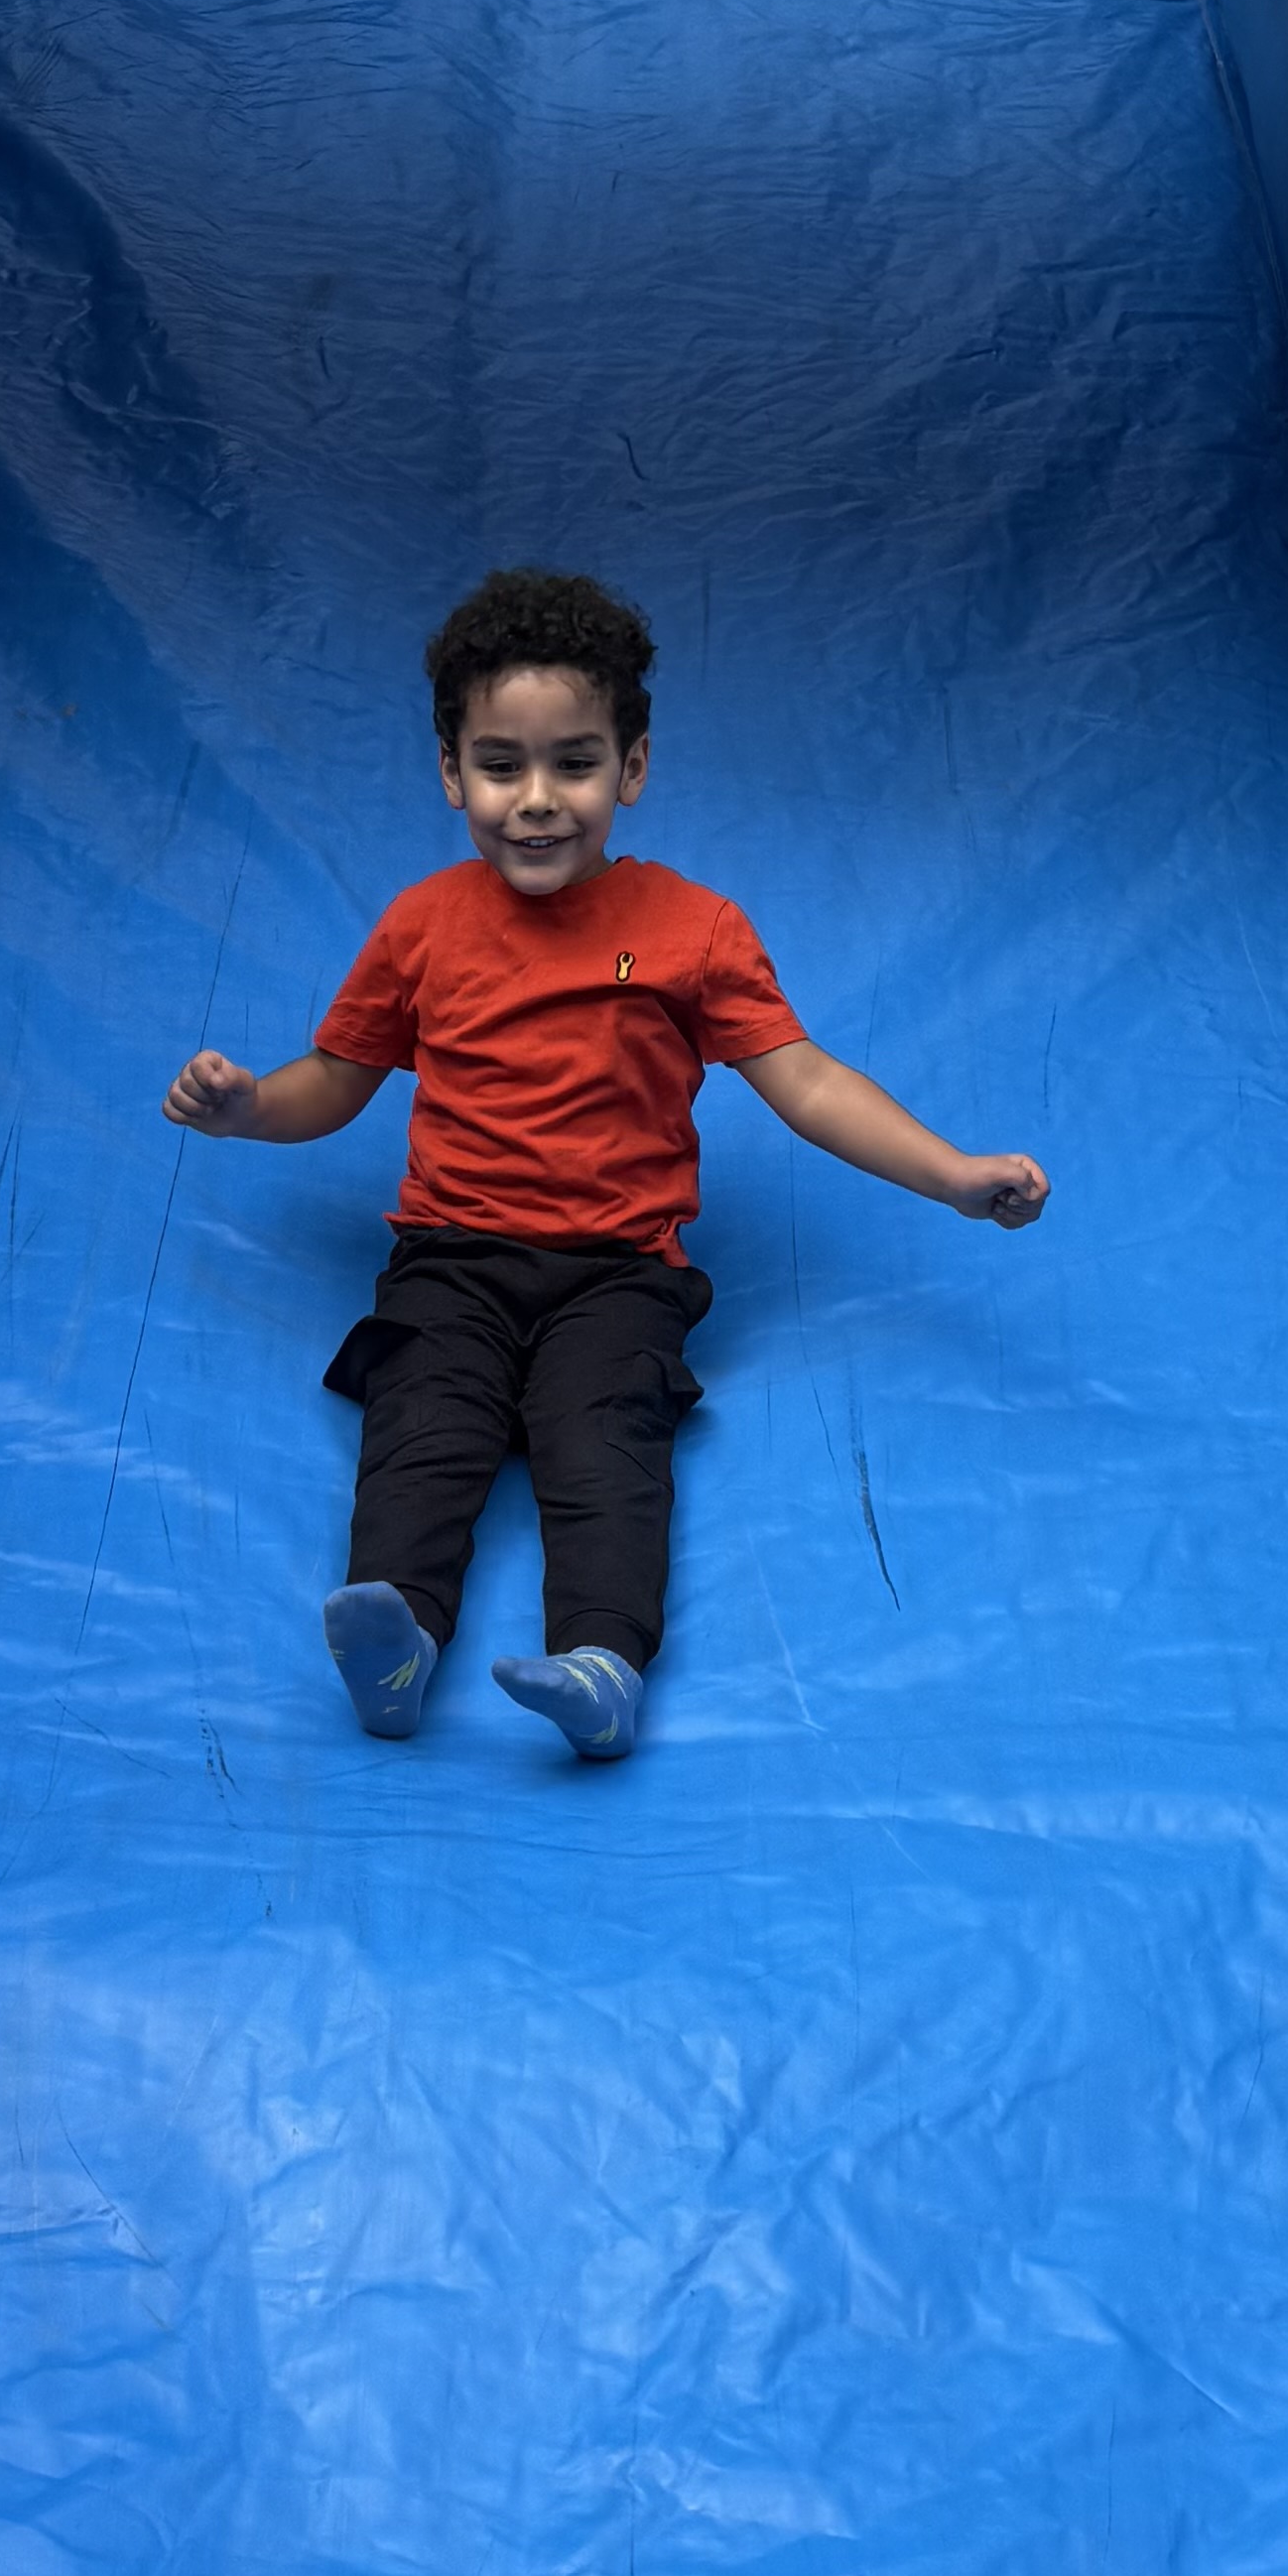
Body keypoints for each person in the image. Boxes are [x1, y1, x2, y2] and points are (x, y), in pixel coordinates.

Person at [159, 570, 1051, 1763]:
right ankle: (401, 1643)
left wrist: (952, 1174)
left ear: (631, 769)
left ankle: (602, 1666)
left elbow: (807, 1081)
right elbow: (336, 1078)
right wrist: (247, 1108)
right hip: (450, 1263)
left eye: (574, 764)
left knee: (604, 1450)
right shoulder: (422, 927)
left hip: (620, 1274)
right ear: (450, 774)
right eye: (500, 766)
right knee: (421, 1431)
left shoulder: (694, 931)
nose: (537, 801)